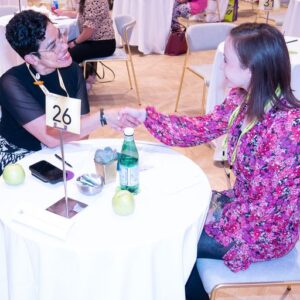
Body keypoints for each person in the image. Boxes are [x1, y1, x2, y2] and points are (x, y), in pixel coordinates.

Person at [120, 23, 300, 299]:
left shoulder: (287, 129)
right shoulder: (243, 99)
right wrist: (147, 117)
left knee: (170, 241)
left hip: (265, 231)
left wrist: (212, 216)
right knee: (171, 215)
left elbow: (269, 210)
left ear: (252, 68)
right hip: (244, 206)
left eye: (227, 60)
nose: (221, 64)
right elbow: (200, 128)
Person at [0, 10, 132, 175]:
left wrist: (71, 155)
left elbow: (82, 128)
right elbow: (52, 138)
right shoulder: (12, 83)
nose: (64, 45)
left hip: (61, 149)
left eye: (60, 36)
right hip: (20, 155)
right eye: (52, 46)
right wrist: (103, 117)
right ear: (32, 58)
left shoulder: (71, 69)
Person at [54, 0, 116, 85]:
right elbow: (81, 15)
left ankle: (76, 84)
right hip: (96, 41)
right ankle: (85, 78)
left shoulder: (94, 1)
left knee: (70, 54)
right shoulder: (87, 2)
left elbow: (89, 30)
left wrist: (75, 43)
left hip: (103, 43)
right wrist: (63, 13)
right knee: (66, 49)